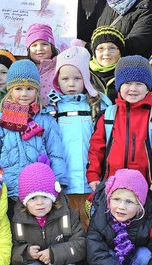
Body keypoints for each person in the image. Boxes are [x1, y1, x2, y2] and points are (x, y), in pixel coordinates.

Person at [0, 59, 68, 217]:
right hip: (9, 188)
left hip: (38, 189)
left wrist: (58, 181)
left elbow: (56, 152)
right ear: (10, 90)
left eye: (29, 88)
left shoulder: (45, 119)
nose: (24, 94)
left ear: (36, 90)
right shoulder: (0, 119)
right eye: (18, 89)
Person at [87, 55, 152, 197]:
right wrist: (93, 175)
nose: (133, 88)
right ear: (119, 86)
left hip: (145, 187)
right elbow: (96, 149)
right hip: (110, 185)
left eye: (139, 84)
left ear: (147, 88)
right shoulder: (108, 115)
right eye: (127, 83)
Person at [47, 45, 111, 230]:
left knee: (91, 223)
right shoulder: (53, 108)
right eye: (65, 78)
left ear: (86, 78)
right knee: (68, 225)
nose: (71, 84)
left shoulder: (99, 105)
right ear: (57, 80)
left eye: (77, 78)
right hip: (64, 181)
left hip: (91, 180)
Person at [9, 156, 85, 265]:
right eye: (33, 198)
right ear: (24, 201)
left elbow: (81, 244)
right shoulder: (17, 220)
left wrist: (55, 253)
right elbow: (10, 251)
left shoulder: (69, 214)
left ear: (54, 196)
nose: (40, 203)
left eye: (45, 196)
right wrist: (25, 253)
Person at [25, 23, 60, 104]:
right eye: (34, 45)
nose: (39, 48)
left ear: (52, 48)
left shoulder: (60, 67)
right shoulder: (25, 70)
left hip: (55, 112)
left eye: (44, 44)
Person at [89, 26, 125, 103]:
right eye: (101, 48)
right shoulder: (85, 74)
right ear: (94, 52)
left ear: (120, 53)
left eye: (112, 48)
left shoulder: (127, 73)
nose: (106, 53)